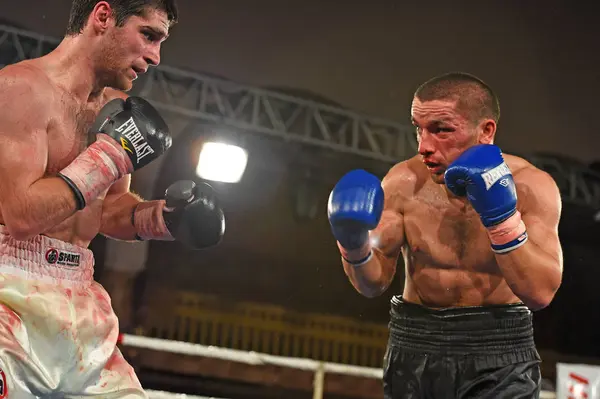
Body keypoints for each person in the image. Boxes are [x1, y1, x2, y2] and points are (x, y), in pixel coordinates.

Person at [0, 1, 225, 397]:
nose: (155, 56)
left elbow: (106, 210)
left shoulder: (111, 110)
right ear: (102, 17)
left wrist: (164, 218)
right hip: (9, 297)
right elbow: (21, 214)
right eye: (148, 35)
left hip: (79, 302)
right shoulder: (21, 89)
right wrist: (109, 155)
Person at [328, 72, 563, 398]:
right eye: (418, 129)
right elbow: (372, 284)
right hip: (415, 343)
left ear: (486, 130)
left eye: (441, 130)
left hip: (500, 348)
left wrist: (502, 219)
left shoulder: (531, 187)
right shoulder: (402, 183)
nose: (424, 146)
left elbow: (540, 294)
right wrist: (352, 244)